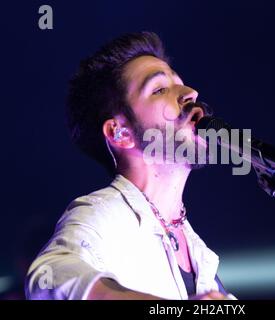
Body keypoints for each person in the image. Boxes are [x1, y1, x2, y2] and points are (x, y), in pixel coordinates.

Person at [25, 32, 233, 300]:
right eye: (159, 89)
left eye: (181, 84)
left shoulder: (201, 255)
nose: (190, 93)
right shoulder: (103, 213)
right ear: (119, 132)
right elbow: (49, 278)